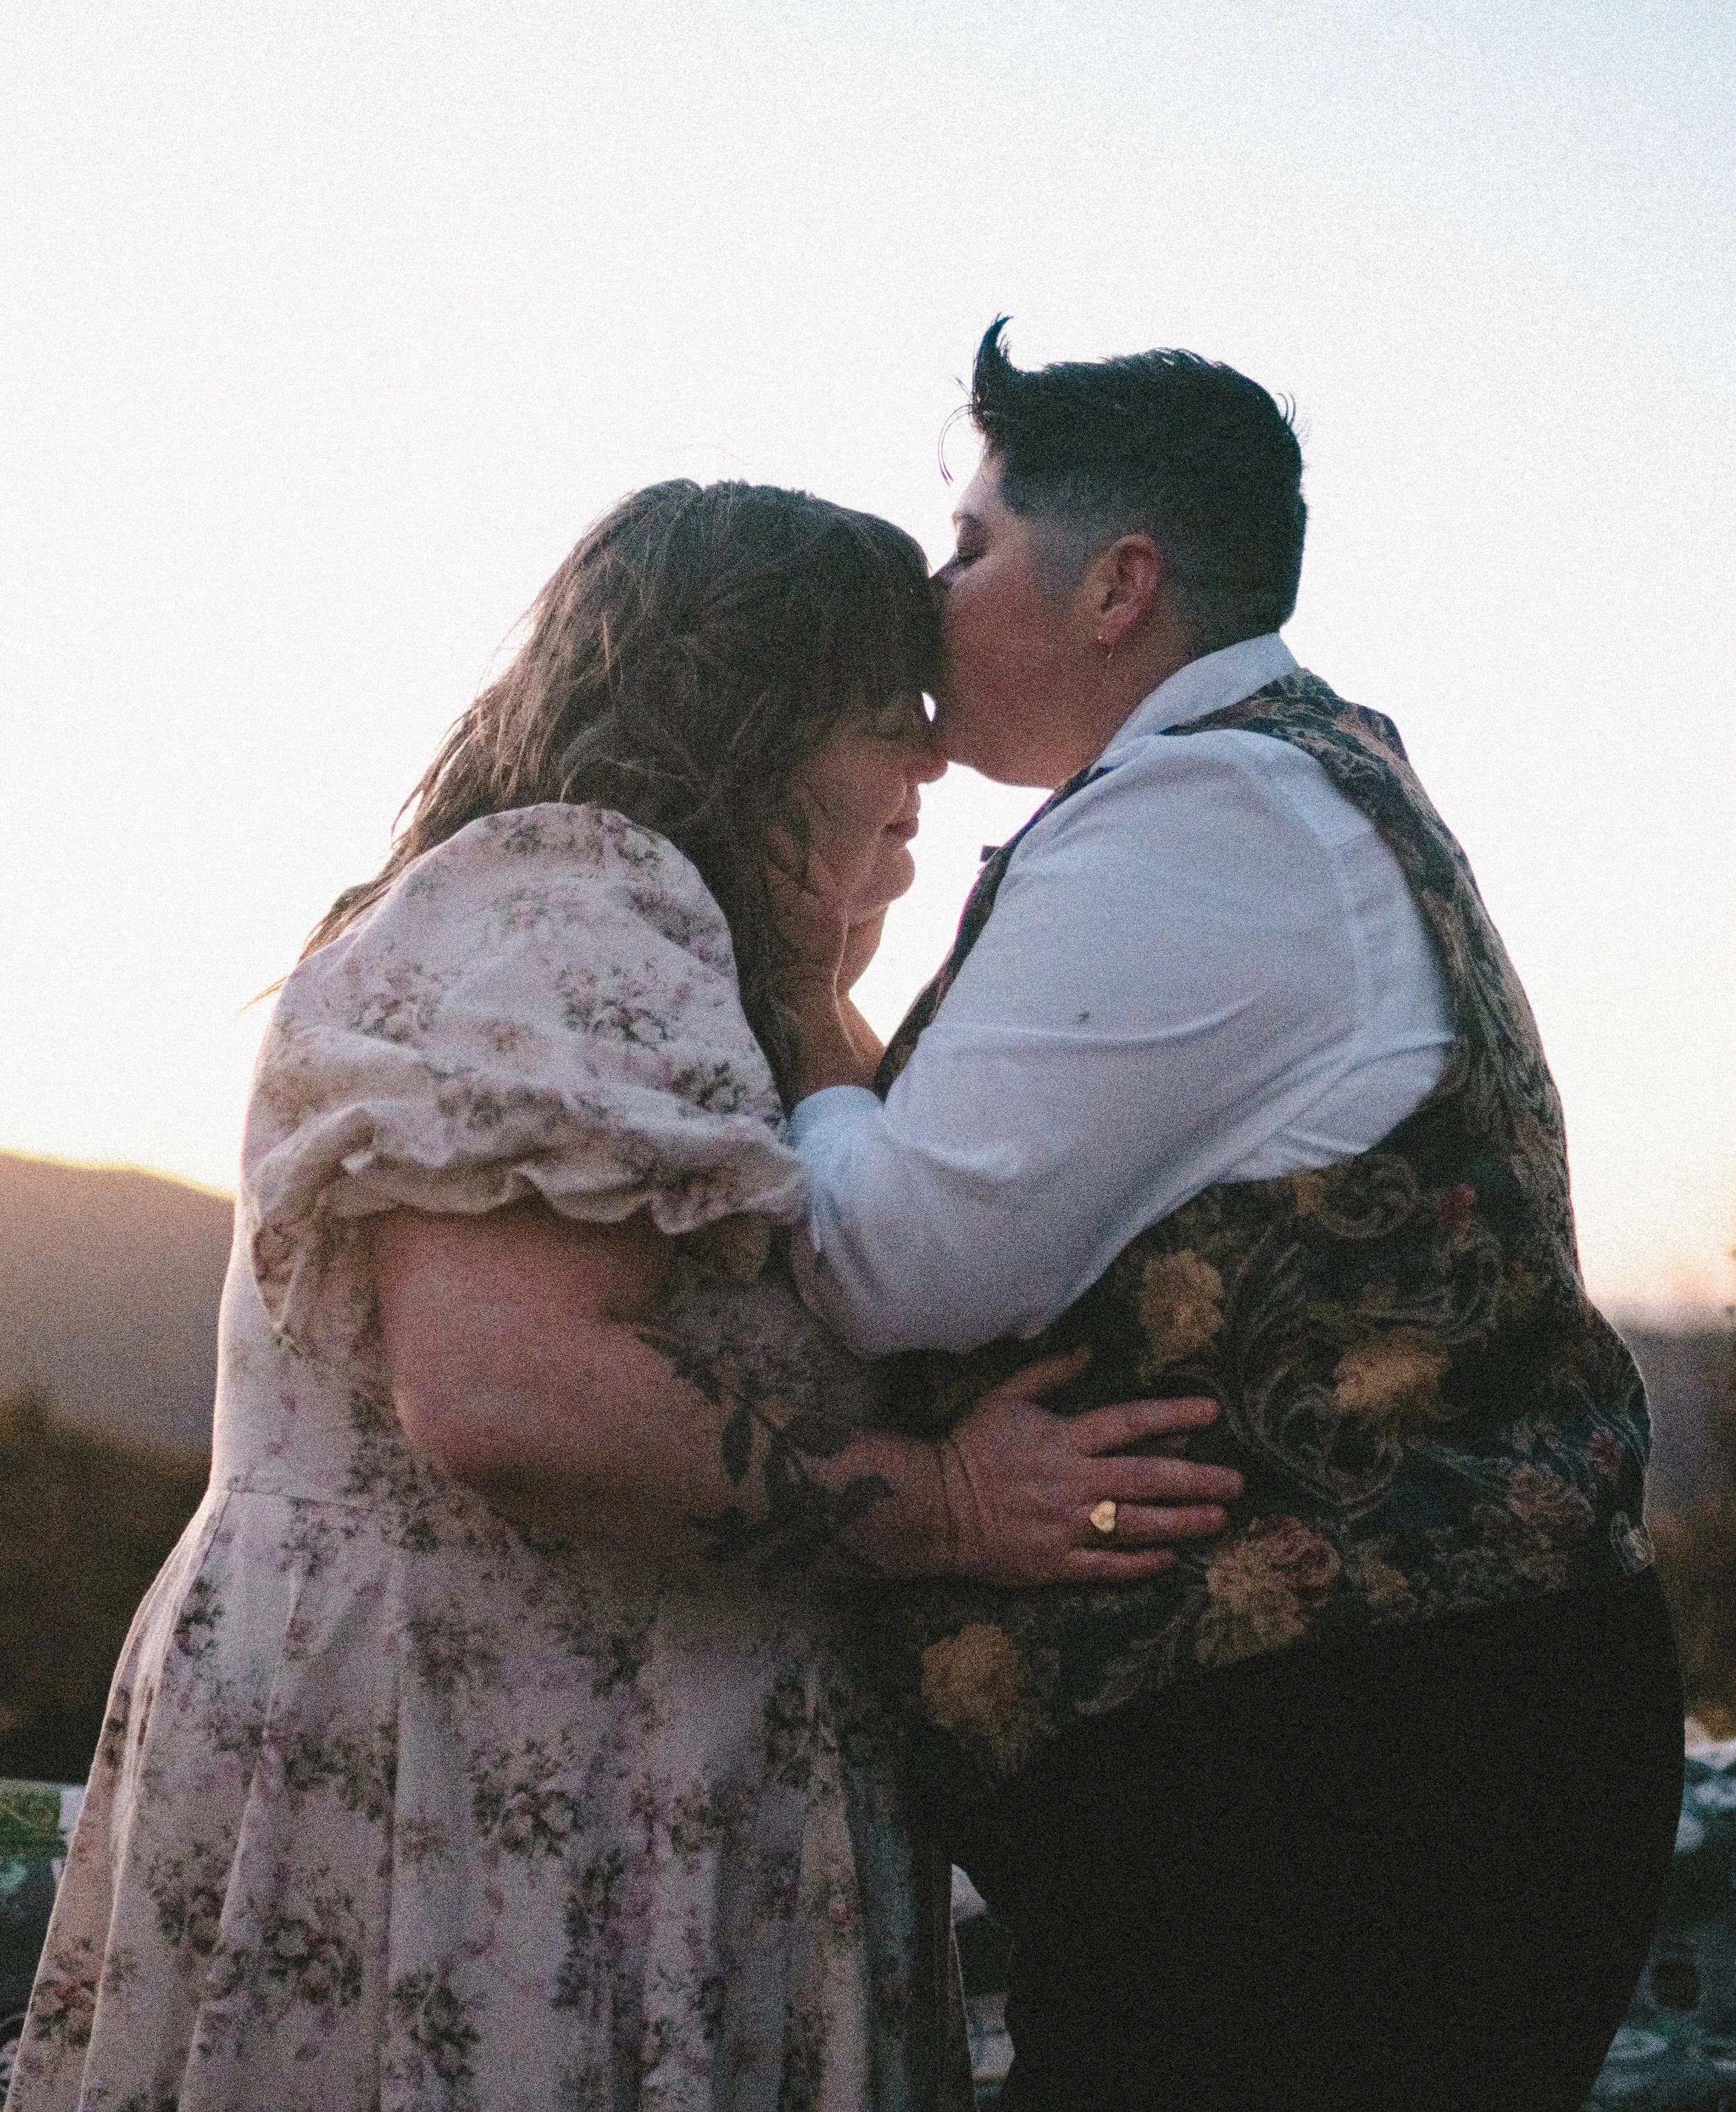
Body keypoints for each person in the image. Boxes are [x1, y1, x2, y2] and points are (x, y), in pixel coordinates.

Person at [8, 478, 1238, 2112]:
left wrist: (807, 983)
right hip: (481, 1797)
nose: (931, 763)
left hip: (608, 1783)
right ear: (760, 710)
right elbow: (502, 1391)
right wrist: (939, 1502)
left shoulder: (694, 960)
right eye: (890, 713)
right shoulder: (570, 894)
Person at [776, 327, 1685, 2112]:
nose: (929, 598)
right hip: (1398, 1741)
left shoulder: (1198, 813)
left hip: (1347, 1776)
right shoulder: (1290, 778)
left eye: (966, 549)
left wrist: (804, 1004)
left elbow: (898, 1262)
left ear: (1118, 584)